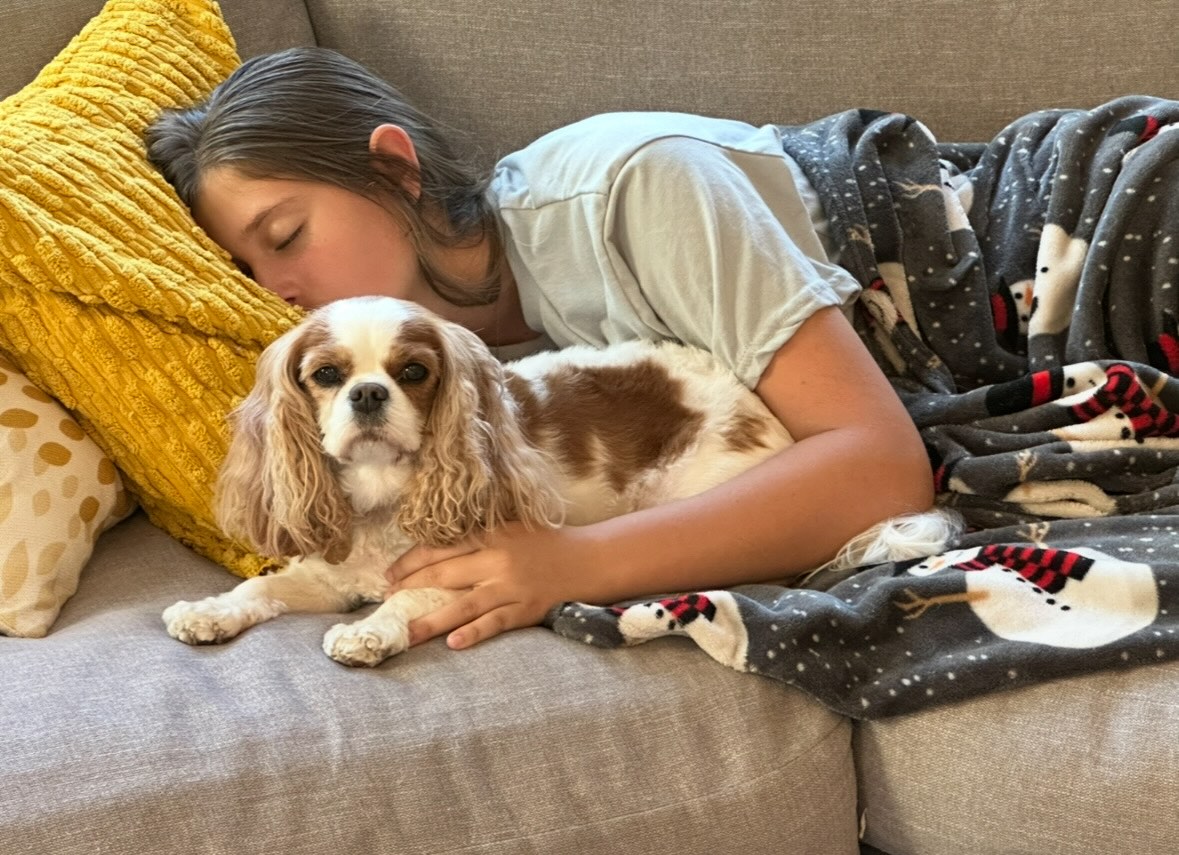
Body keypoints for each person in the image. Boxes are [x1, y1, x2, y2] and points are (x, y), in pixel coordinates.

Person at [146, 46, 934, 652]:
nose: (275, 287)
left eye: (285, 237)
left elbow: (883, 468)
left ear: (393, 168)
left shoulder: (641, 188)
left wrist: (577, 561)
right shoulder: (447, 374)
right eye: (248, 270)